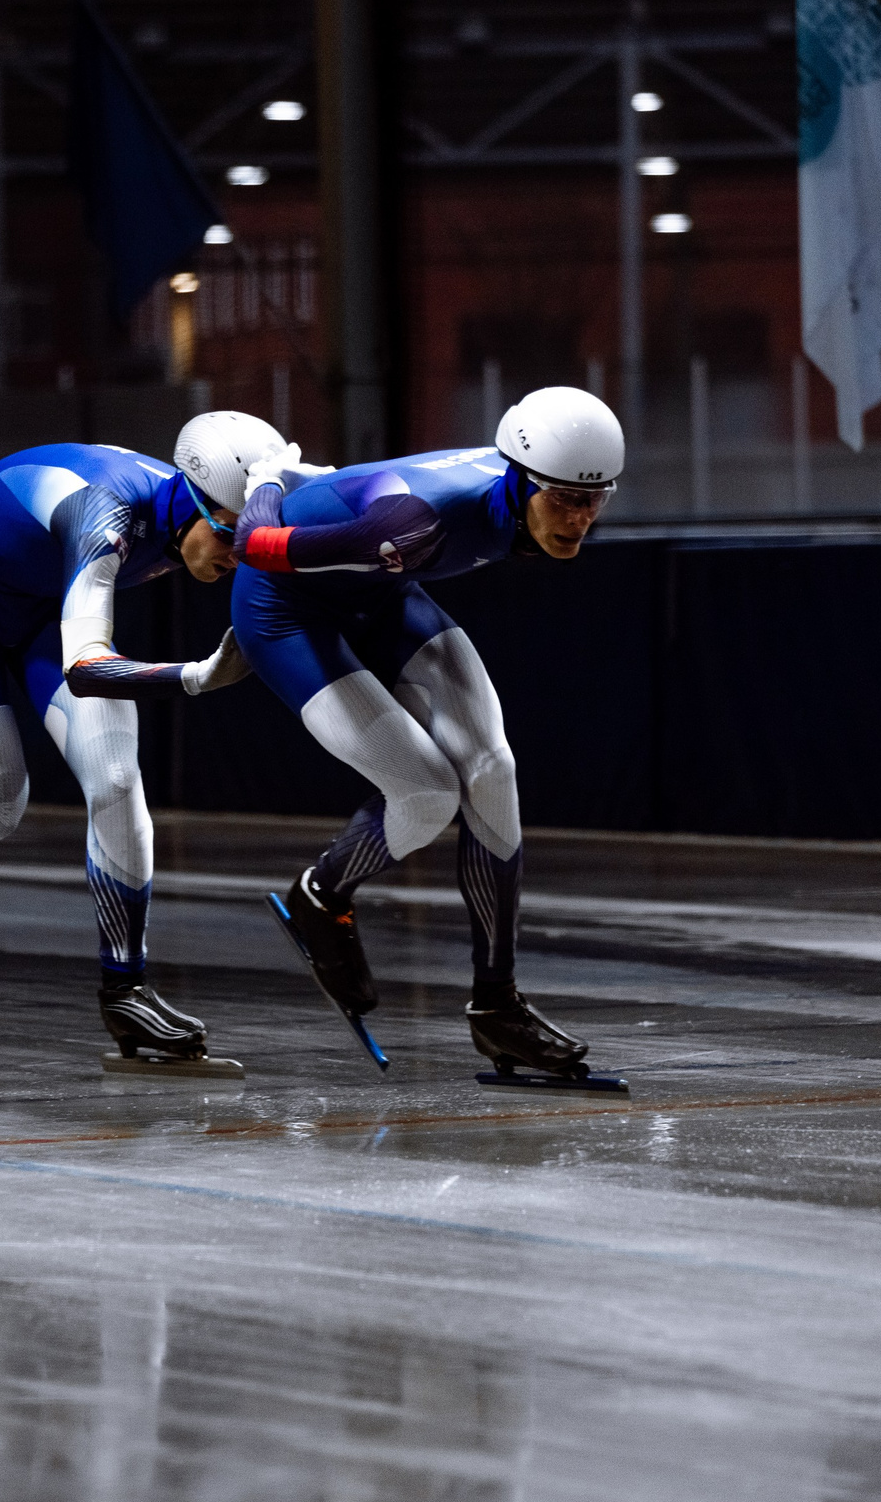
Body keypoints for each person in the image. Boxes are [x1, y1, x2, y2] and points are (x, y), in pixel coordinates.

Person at [0, 413, 287, 1070]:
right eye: (230, 534)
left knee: (114, 779)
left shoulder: (187, 504)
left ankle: (126, 988)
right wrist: (195, 676)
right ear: (195, 501)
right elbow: (85, 667)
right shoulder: (105, 518)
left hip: (40, 594)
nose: (237, 555)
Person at [231, 386, 624, 1085]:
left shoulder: (499, 489)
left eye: (595, 500)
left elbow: (360, 487)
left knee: (493, 766)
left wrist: (318, 483)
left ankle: (497, 1003)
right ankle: (318, 896)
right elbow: (256, 547)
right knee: (427, 792)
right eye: (564, 499)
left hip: (379, 587)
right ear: (521, 479)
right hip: (286, 606)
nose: (580, 518)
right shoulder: (417, 521)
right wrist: (265, 479)